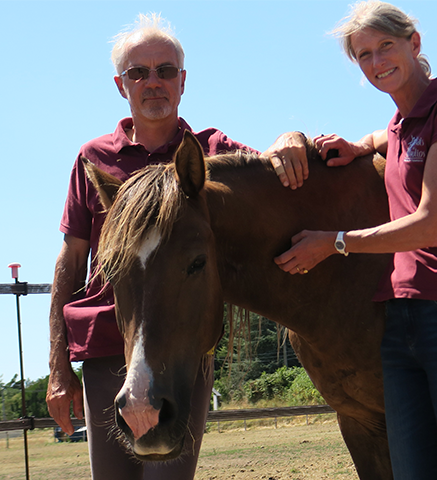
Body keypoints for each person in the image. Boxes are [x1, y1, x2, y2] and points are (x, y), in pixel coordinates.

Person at [46, 13, 309, 480]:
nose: (153, 82)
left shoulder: (210, 151)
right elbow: (70, 260)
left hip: (182, 347)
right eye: (138, 72)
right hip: (106, 344)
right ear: (120, 84)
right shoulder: (93, 159)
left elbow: (270, 176)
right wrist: (58, 366)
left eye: (165, 70)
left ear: (182, 81)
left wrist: (293, 138)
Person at [273, 2, 437, 478]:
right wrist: (363, 145)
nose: (377, 62)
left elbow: (429, 226)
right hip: (401, 323)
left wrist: (334, 242)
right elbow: (392, 137)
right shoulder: (401, 124)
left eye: (386, 46)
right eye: (364, 55)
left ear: (414, 44)